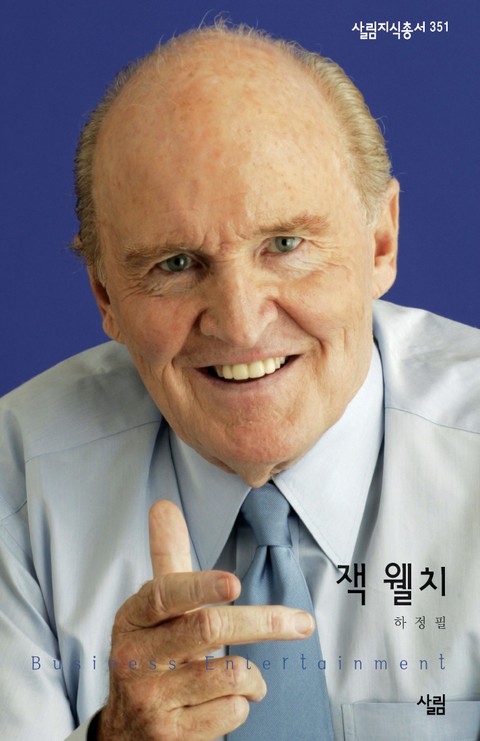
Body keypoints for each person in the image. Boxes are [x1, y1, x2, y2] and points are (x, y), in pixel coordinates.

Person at [1, 22, 479, 741]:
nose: (241, 324)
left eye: (285, 244)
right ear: (105, 296)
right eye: (175, 264)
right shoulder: (15, 482)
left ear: (380, 242)